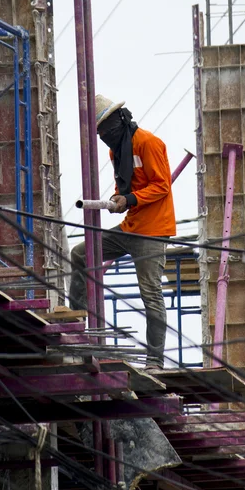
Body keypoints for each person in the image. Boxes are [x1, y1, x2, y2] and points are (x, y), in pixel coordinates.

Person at [69, 95, 176, 370]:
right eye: (99, 131)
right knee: (80, 253)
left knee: (150, 292)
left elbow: (161, 186)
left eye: (105, 128)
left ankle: (155, 360)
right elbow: (125, 185)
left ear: (119, 120)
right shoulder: (116, 150)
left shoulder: (148, 143)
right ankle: (74, 323)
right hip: (131, 226)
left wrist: (129, 200)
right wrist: (119, 199)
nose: (103, 135)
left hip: (152, 231)